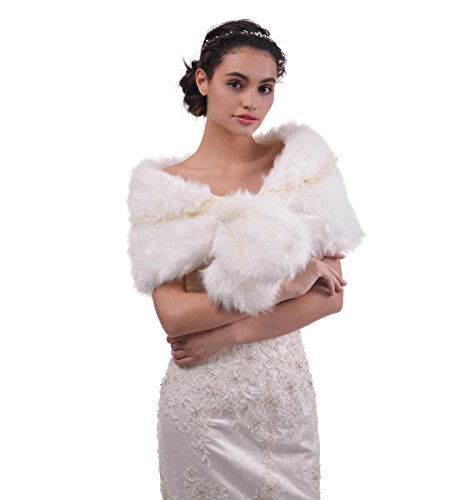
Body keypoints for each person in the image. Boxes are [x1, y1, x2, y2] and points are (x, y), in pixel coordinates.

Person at [127, 18, 365, 499]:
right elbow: (175, 317)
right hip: (202, 409)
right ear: (203, 80)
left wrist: (227, 335)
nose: (251, 102)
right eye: (235, 84)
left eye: (265, 88)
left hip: (281, 402)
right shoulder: (163, 189)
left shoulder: (301, 167)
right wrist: (287, 288)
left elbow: (330, 297)